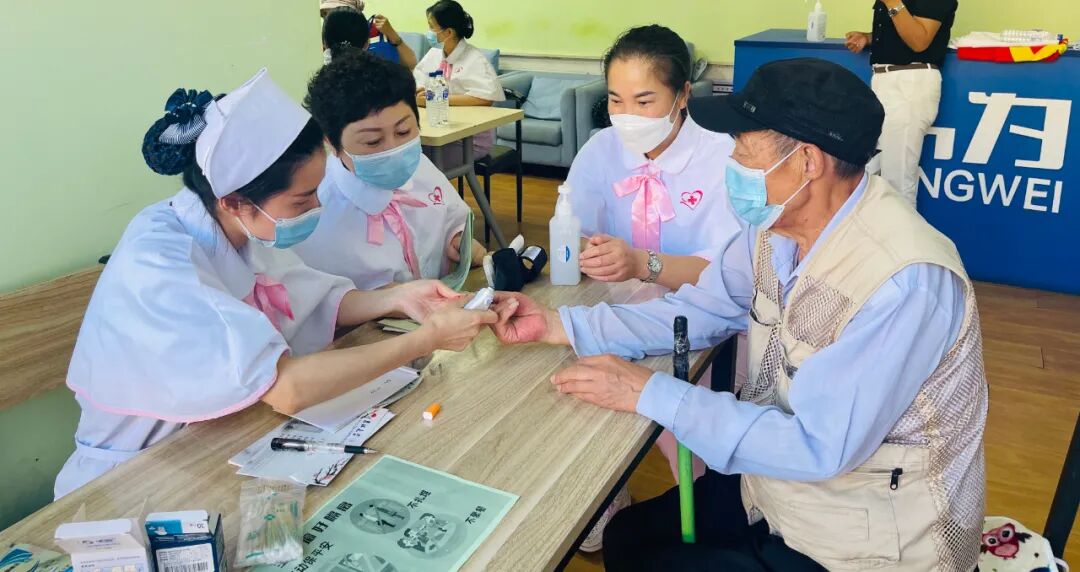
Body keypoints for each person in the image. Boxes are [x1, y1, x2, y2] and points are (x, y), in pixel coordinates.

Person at [490, 58, 987, 570]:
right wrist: (561, 325)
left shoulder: (902, 281)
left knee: (653, 560)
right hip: (779, 492)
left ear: (808, 161)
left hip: (868, 542)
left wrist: (649, 392)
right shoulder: (775, 230)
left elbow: (818, 448)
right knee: (629, 538)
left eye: (744, 149)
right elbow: (699, 308)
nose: (732, 161)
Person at [54, 69, 497, 499]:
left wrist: (400, 297)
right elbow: (287, 388)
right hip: (135, 476)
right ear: (234, 202)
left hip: (220, 437)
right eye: (302, 200)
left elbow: (317, 300)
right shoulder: (160, 264)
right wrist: (426, 339)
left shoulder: (239, 226)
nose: (316, 207)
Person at [560, 24, 748, 552]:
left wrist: (643, 263)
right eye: (615, 100)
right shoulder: (601, 149)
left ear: (683, 95)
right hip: (622, 308)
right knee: (575, 385)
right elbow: (572, 228)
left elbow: (730, 276)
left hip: (706, 318)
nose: (628, 116)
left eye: (645, 101)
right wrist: (586, 252)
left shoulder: (722, 156)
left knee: (686, 432)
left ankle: (708, 514)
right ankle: (602, 494)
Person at [295, 50, 486, 290]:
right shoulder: (317, 212)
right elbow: (323, 300)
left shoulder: (419, 166)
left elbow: (447, 218)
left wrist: (456, 240)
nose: (394, 149)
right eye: (373, 141)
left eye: (404, 131)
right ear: (331, 143)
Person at [846, 0, 958, 206]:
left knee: (898, 184)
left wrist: (892, 2)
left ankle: (903, 228)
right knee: (869, 176)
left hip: (910, 82)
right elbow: (900, 33)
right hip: (884, 80)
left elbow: (919, 40)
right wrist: (868, 38)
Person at [413, 0, 504, 163]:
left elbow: (485, 98)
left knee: (417, 161)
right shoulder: (433, 54)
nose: (429, 33)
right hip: (438, 132)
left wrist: (437, 99)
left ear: (448, 32)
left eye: (432, 27)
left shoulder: (474, 59)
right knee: (406, 153)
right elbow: (418, 83)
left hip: (469, 141)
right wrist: (418, 93)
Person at [320, 4, 417, 69]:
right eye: (324, 14)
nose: (330, 20)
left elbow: (412, 63)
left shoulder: (378, 31)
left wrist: (392, 34)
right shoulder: (324, 42)